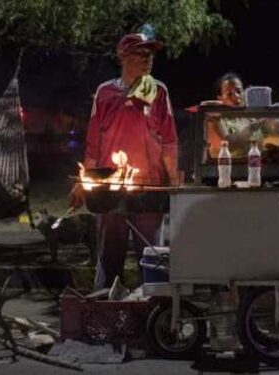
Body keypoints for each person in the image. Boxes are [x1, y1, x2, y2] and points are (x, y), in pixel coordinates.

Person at [70, 33, 178, 290]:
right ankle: (104, 311)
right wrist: (82, 184)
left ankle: (156, 314)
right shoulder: (105, 92)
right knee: (109, 258)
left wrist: (174, 184)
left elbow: (169, 141)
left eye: (150, 54)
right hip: (111, 189)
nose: (147, 59)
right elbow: (94, 143)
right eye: (140, 53)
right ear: (123, 56)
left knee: (152, 258)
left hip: (149, 188)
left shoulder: (158, 91)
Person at [203, 73, 278, 158]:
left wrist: (274, 122)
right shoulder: (214, 119)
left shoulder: (250, 118)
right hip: (229, 169)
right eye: (229, 94)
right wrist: (252, 127)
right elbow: (228, 146)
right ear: (220, 98)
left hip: (257, 168)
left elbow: (273, 132)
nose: (236, 96)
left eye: (239, 91)